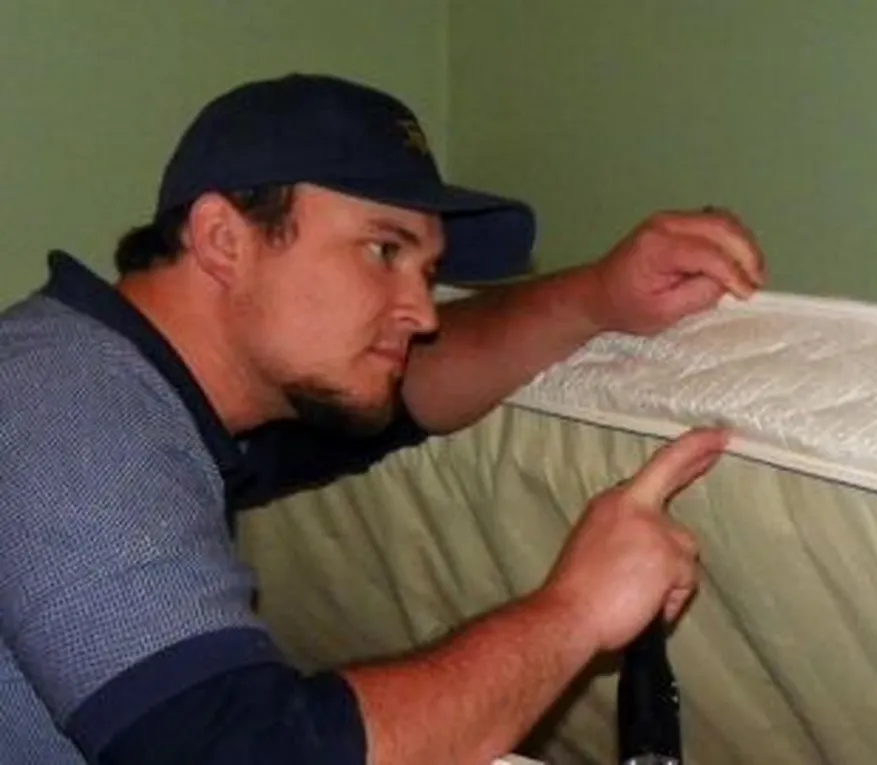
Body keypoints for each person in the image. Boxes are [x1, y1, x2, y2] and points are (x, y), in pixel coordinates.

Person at [0, 73, 765, 765]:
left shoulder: (149, 392)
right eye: (382, 250)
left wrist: (599, 297)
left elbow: (415, 388)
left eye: (427, 272)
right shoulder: (66, 405)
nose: (422, 311)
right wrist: (577, 612)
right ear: (224, 239)